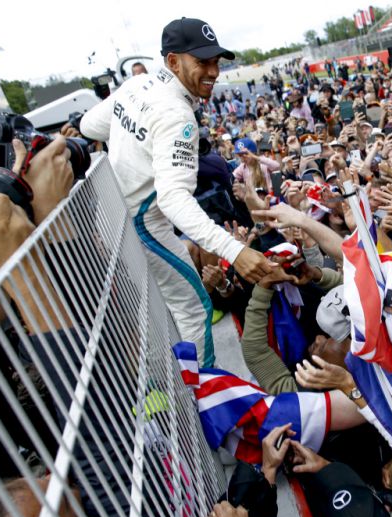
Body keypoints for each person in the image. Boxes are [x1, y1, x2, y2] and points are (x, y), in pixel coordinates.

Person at [80, 17, 273, 366]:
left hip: (112, 213)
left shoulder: (135, 85)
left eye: (216, 61)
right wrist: (235, 251)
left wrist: (132, 140)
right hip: (140, 222)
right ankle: (206, 398)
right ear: (173, 61)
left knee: (161, 310)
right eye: (202, 62)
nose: (213, 71)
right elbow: (173, 198)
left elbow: (88, 125)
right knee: (195, 307)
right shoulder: (177, 115)